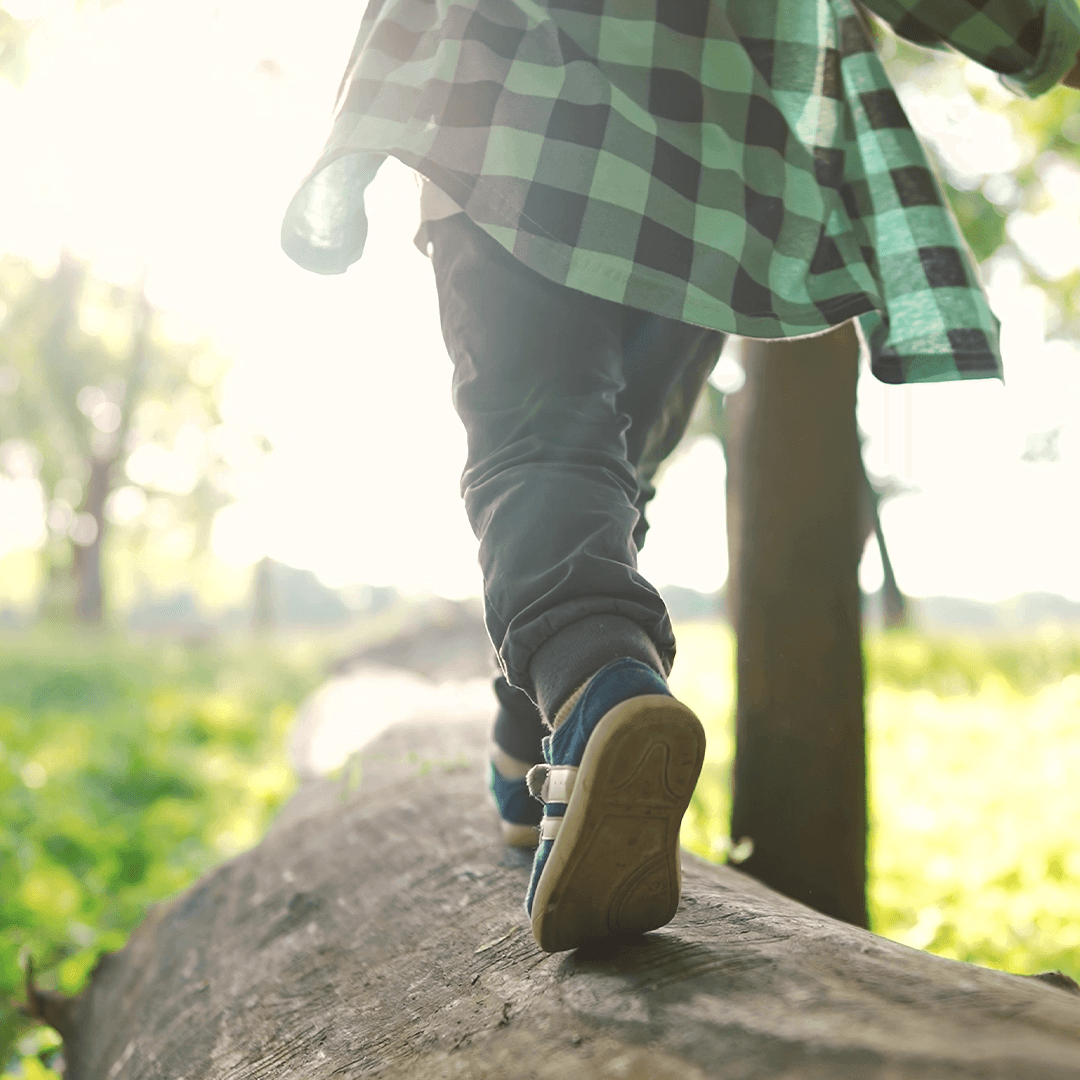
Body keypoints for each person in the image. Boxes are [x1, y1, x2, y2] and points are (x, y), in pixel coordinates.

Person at [282, 0, 1080, 953]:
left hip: (508, 94)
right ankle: (534, 738)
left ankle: (593, 688)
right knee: (611, 473)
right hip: (705, 161)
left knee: (543, 439)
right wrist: (1051, 37)